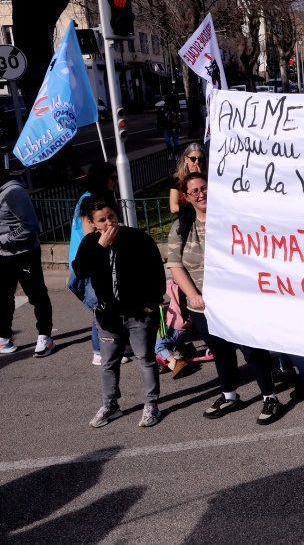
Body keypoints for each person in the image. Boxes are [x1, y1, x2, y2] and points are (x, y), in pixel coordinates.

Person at [167, 172, 285, 425]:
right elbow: (175, 265)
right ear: (186, 197)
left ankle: (270, 397)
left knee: (252, 349)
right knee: (220, 351)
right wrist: (193, 296)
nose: (201, 194)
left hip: (237, 301)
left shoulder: (232, 218)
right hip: (202, 306)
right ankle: (230, 396)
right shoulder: (181, 227)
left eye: (205, 188)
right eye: (195, 191)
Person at [72, 195, 165, 428]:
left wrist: (152, 302)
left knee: (145, 359)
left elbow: (156, 271)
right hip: (108, 315)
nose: (109, 223)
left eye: (111, 216)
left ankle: (151, 403)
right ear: (93, 223)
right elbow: (81, 271)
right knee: (108, 362)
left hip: (139, 314)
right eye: (102, 220)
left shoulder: (137, 238)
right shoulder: (90, 243)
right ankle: (110, 405)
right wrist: (100, 247)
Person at [67, 161, 118, 364]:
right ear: (102, 179)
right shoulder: (89, 200)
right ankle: (99, 350)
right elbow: (90, 235)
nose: (116, 181)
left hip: (94, 257)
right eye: (113, 178)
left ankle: (112, 344)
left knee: (104, 301)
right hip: (88, 259)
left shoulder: (98, 197)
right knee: (100, 304)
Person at [0, 167, 53, 357]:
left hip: (25, 254)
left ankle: (45, 336)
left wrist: (4, 239)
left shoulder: (14, 192)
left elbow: (30, 225)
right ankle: (4, 337)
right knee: (3, 298)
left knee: (37, 295)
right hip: (3, 256)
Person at [169, 143, 205, 215]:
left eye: (200, 159)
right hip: (187, 217)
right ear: (185, 159)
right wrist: (193, 206)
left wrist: (200, 177)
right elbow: (173, 208)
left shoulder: (207, 178)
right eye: (193, 159)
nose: (197, 162)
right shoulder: (178, 179)